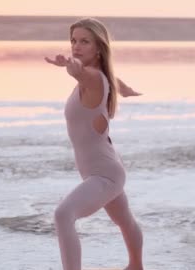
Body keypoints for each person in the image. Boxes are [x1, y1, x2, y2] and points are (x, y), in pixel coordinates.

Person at [44, 18, 145, 270]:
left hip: (104, 175)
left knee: (63, 215)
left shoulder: (91, 79)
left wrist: (70, 65)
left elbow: (79, 70)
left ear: (98, 48)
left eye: (84, 42)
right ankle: (136, 266)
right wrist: (126, 89)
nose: (76, 46)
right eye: (73, 41)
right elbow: (112, 79)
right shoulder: (102, 78)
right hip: (106, 167)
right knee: (124, 221)